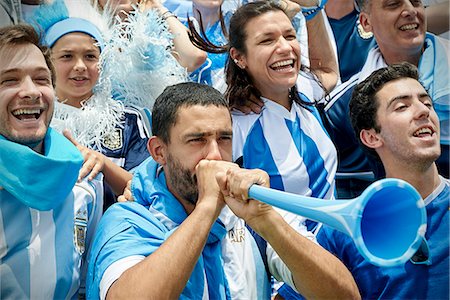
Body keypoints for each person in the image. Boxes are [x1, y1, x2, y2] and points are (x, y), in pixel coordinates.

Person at [86, 82, 360, 299]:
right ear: (159, 151)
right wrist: (207, 208)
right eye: (197, 140)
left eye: (224, 138)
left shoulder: (252, 209)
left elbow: (343, 295)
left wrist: (266, 221)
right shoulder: (127, 218)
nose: (215, 155)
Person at [317, 62, 449, 299]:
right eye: (402, 107)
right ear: (371, 137)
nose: (423, 111)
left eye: (426, 102)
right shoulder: (340, 230)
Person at [0, 24, 103, 298]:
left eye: (42, 79)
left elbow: (86, 282)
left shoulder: (85, 175)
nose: (31, 91)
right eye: (9, 80)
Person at [324, 0, 450, 199]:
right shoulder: (343, 106)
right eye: (393, 4)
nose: (409, 10)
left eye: (416, 2)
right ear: (366, 23)